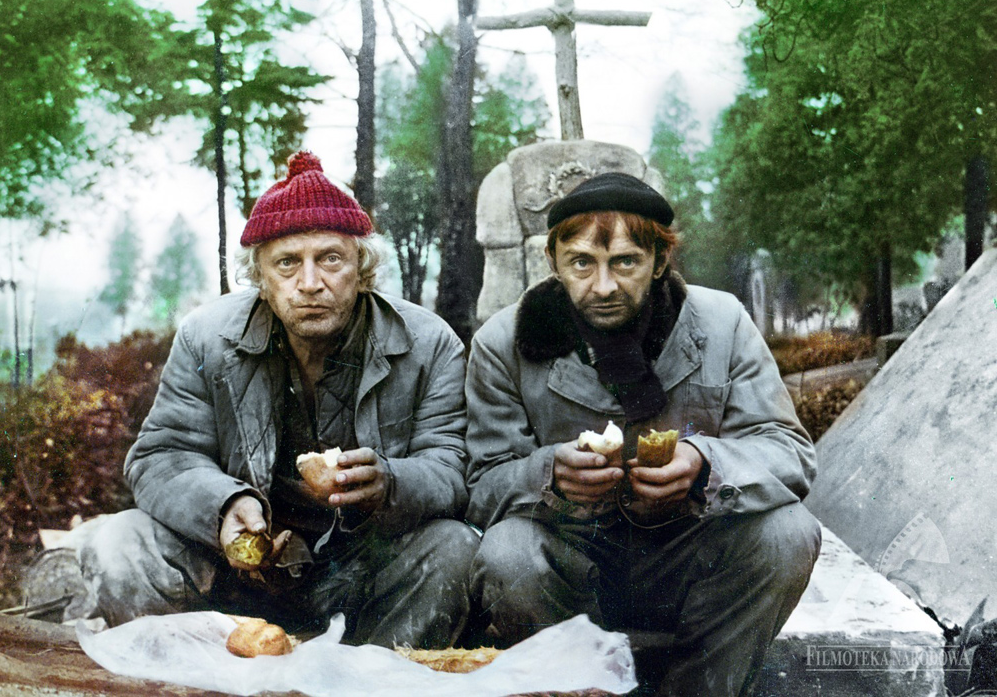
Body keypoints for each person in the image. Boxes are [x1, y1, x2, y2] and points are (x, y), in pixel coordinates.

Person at [76, 151, 477, 648]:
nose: (310, 283)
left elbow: (452, 466)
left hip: (359, 571)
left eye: (330, 258)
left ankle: (369, 685)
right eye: (287, 263)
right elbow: (160, 455)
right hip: (233, 570)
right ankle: (193, 684)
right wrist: (225, 506)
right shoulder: (207, 337)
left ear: (362, 268)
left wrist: (390, 483)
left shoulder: (429, 342)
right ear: (261, 280)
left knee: (454, 548)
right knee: (120, 542)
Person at [465, 172, 821, 695]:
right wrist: (549, 475)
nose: (604, 286)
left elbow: (790, 452)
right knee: (506, 551)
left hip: (687, 556)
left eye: (625, 262)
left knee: (788, 533)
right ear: (554, 263)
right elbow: (481, 485)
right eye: (582, 262)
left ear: (659, 261)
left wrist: (705, 464)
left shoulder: (721, 322)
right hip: (572, 559)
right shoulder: (503, 341)